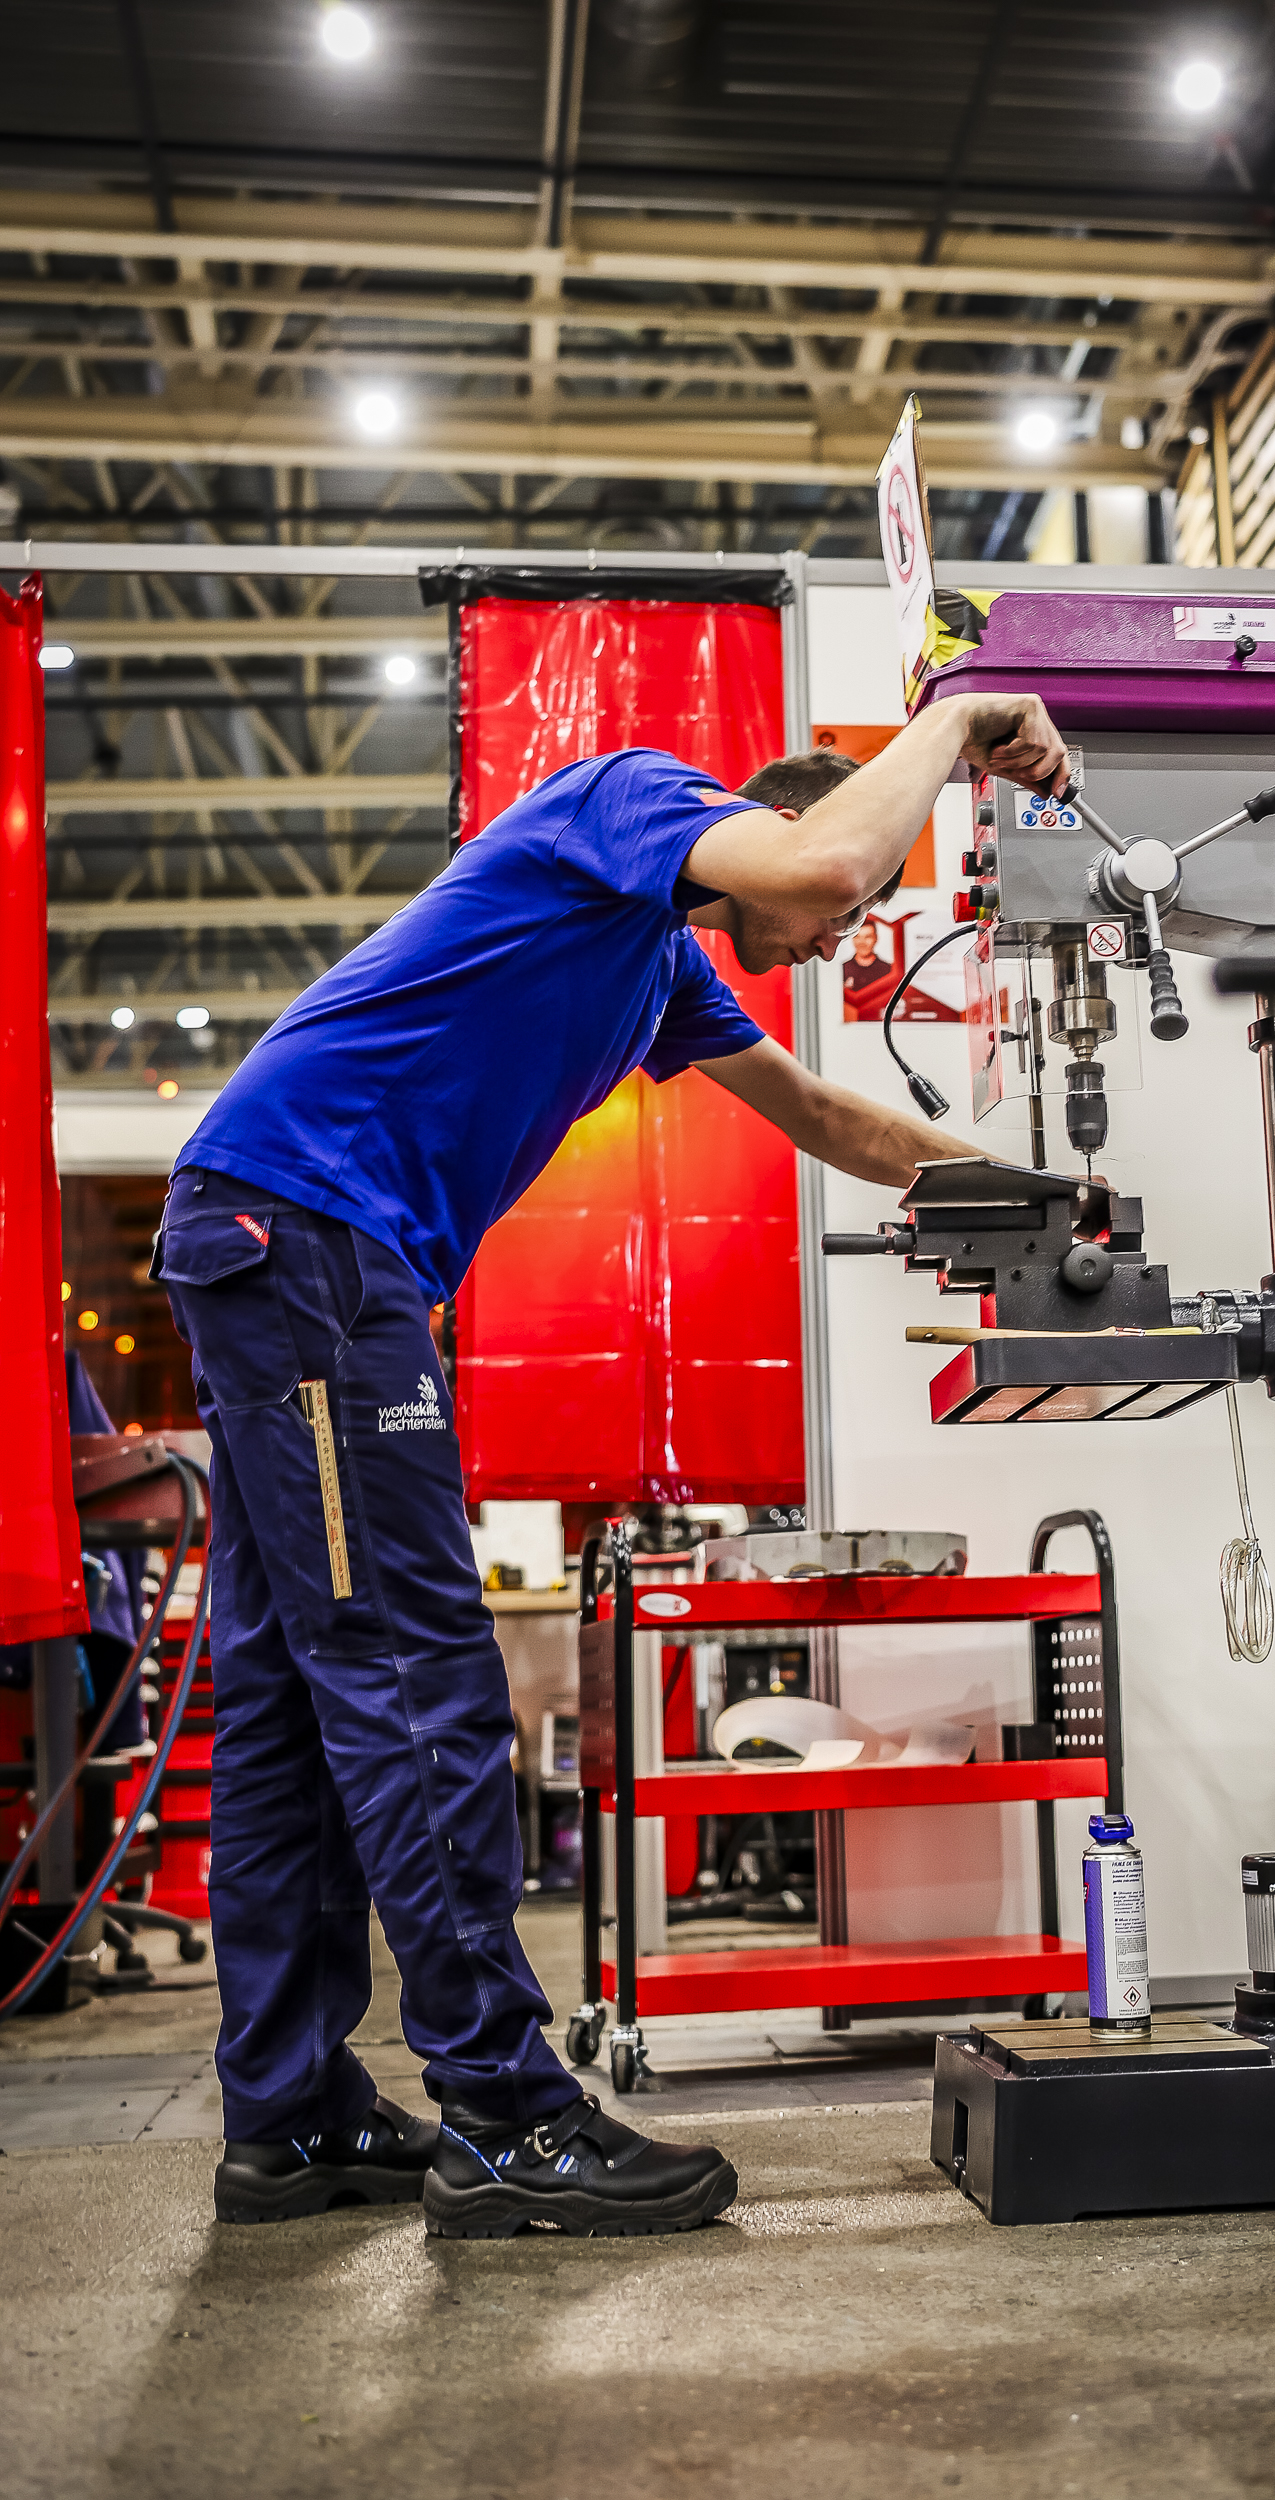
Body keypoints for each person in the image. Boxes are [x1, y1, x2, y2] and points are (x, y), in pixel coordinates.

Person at [152, 689, 1067, 2239]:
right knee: (411, 1674)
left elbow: (836, 1120)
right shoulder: (629, 797)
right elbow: (827, 873)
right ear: (762, 824)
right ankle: (507, 2116)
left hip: (286, 1243)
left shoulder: (654, 972)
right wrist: (964, 720)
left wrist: (1059, 1194)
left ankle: (290, 2117)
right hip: (310, 1241)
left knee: (301, 1703)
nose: (851, 933)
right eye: (848, 884)